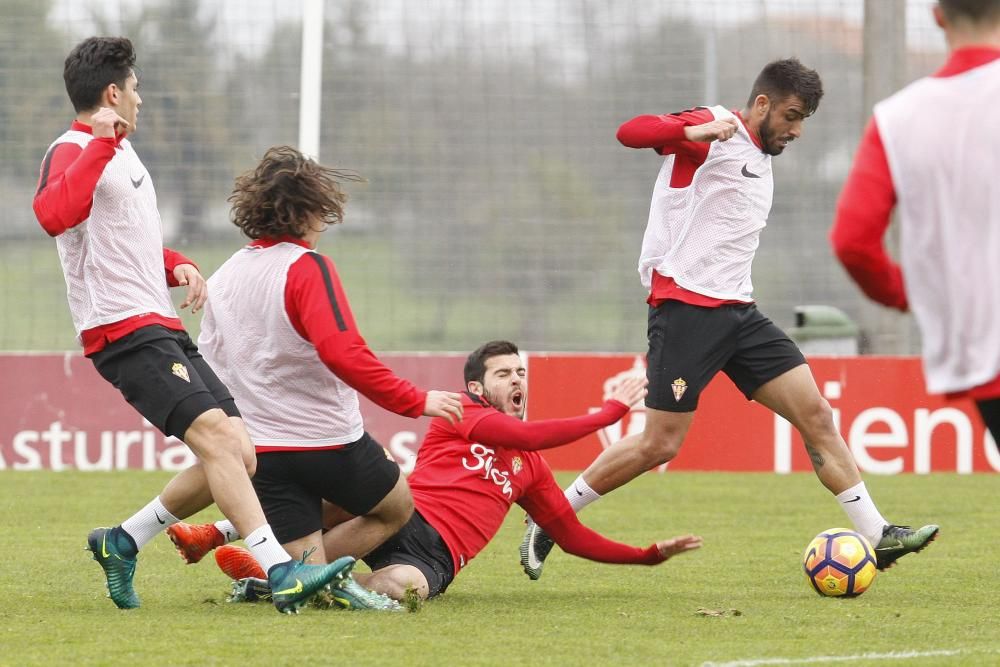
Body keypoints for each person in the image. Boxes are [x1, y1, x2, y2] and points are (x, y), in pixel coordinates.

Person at [518, 58, 939, 581]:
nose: (797, 130)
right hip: (686, 309)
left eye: (804, 118)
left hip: (740, 313)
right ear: (762, 103)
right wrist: (693, 128)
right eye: (791, 115)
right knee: (660, 444)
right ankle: (553, 518)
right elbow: (631, 132)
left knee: (817, 416)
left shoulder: (761, 155)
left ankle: (876, 534)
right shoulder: (713, 132)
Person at [32, 37, 354, 613]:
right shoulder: (74, 148)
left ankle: (123, 539)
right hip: (122, 329)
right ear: (113, 91)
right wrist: (100, 146)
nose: (141, 98)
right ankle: (280, 570)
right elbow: (54, 215)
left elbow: (123, 241)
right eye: (135, 88)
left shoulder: (119, 152)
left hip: (157, 321)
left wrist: (173, 262)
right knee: (218, 441)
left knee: (239, 451)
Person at [168, 340, 703, 604]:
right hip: (400, 515)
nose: (517, 379)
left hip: (436, 556)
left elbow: (571, 533)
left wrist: (646, 557)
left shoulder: (532, 472)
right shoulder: (463, 414)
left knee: (402, 590)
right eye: (503, 373)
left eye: (521, 372)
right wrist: (610, 413)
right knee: (360, 487)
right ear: (478, 388)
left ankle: (267, 578)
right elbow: (528, 435)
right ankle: (224, 537)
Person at [167, 145, 464, 609]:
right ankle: (282, 577)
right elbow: (343, 351)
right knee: (396, 506)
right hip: (330, 445)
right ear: (309, 211)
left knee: (307, 572)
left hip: (262, 451)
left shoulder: (226, 275)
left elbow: (213, 360)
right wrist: (414, 400)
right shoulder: (307, 267)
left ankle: (282, 578)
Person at [831, 0, 1000, 449]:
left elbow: (853, 241)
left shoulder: (899, 118)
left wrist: (915, 293)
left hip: (981, 339)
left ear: (939, 16)